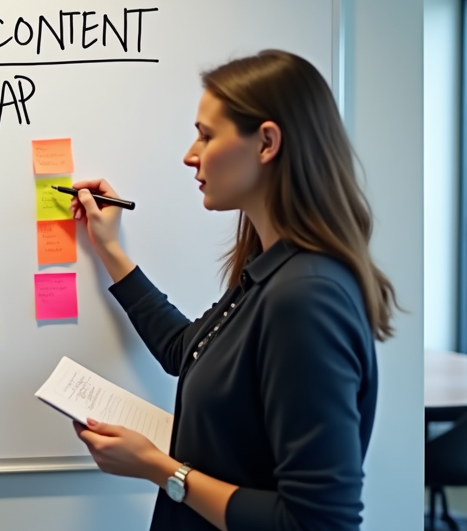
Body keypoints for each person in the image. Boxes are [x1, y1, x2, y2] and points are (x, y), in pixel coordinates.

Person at [69, 50, 396, 531]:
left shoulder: (306, 297)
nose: (190, 154)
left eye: (206, 134)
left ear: (266, 142)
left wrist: (160, 468)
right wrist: (110, 249)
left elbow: (318, 523)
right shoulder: (270, 272)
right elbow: (188, 350)